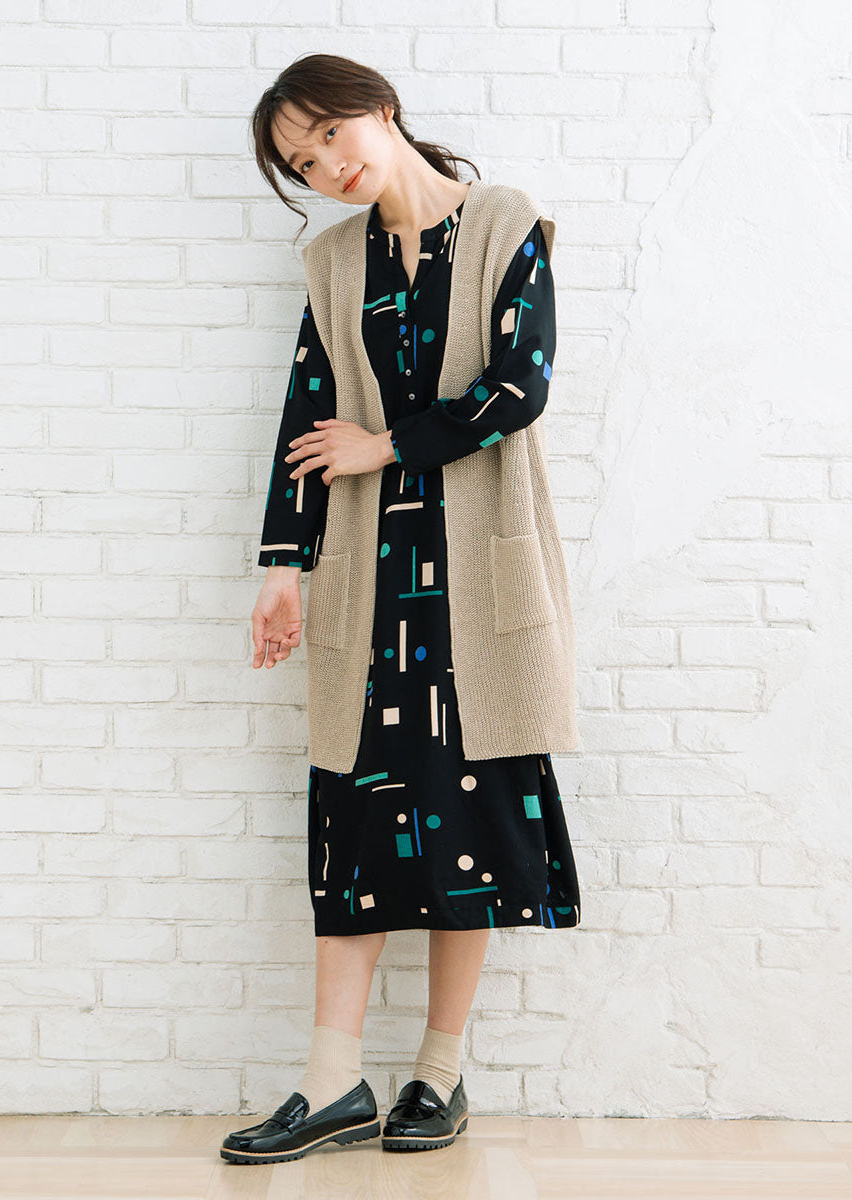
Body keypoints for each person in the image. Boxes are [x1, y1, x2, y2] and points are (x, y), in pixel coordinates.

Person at [221, 53, 581, 1165]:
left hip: (475, 576)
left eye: (329, 134)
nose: (325, 166)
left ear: (378, 107)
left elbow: (518, 385)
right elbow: (307, 416)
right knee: (355, 821)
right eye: (301, 163)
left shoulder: (505, 221)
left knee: (469, 821)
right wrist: (283, 566)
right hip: (371, 580)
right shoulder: (334, 263)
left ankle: (439, 1070)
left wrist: (383, 447)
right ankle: (333, 1081)